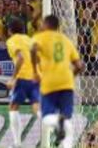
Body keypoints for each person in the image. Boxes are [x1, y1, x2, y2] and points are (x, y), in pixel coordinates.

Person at [31, 15, 84, 148]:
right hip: (66, 82)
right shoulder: (66, 40)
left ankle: (56, 122)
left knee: (46, 116)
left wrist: (35, 70)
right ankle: (61, 127)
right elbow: (80, 65)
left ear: (46, 24)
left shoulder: (40, 37)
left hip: (49, 82)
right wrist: (71, 76)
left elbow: (32, 49)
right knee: (66, 119)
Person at [6, 19, 40, 148]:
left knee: (13, 107)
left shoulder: (12, 40)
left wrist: (13, 78)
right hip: (35, 78)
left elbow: (20, 57)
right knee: (37, 107)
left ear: (10, 30)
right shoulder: (29, 40)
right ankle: (56, 127)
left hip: (22, 77)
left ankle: (17, 144)